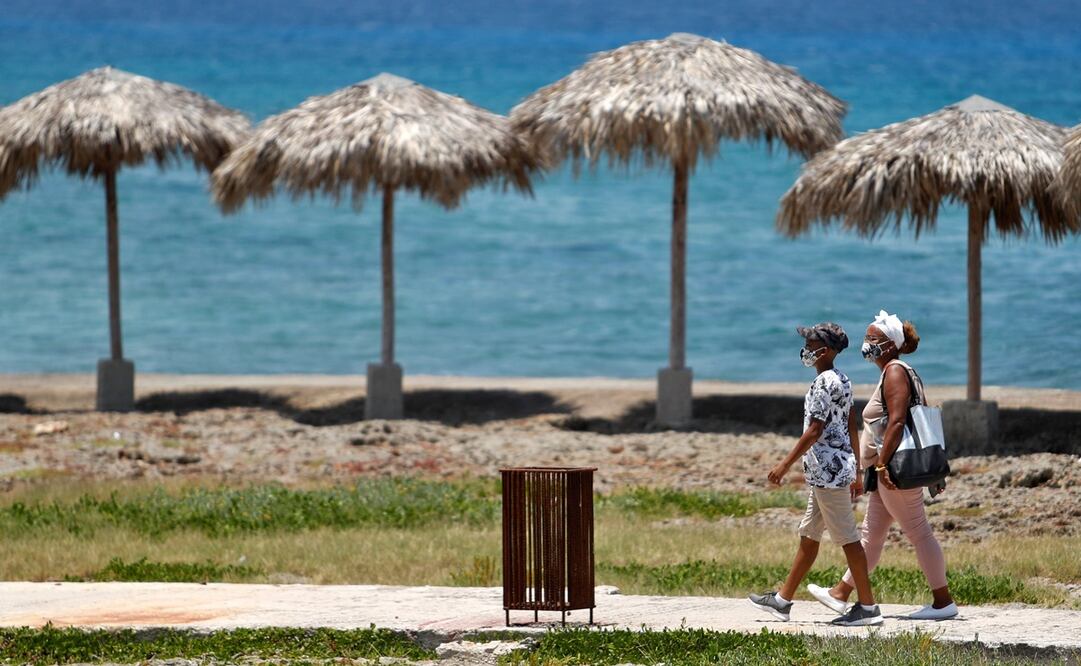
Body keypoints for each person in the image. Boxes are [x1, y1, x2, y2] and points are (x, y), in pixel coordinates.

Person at [806, 311, 958, 621]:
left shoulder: (895, 372)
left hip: (892, 471)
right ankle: (841, 593)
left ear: (890, 344)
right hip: (884, 472)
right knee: (871, 536)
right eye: (867, 338)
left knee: (918, 531)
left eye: (873, 339)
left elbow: (898, 421)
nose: (867, 344)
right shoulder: (893, 370)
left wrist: (882, 465)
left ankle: (943, 602)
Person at [749, 322, 883, 626]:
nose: (806, 350)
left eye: (810, 346)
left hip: (827, 474)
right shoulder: (843, 380)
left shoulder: (823, 383)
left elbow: (814, 430)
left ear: (826, 351)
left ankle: (868, 607)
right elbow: (850, 424)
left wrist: (784, 465)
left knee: (849, 540)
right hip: (831, 472)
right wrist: (857, 470)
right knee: (809, 536)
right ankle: (782, 600)